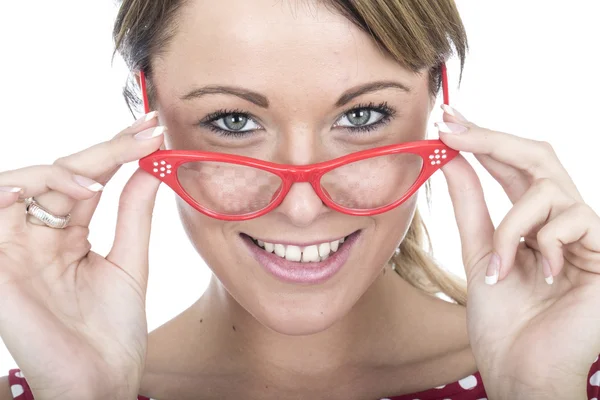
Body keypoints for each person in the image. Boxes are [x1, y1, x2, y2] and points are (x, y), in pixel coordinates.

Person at [2, 0, 600, 399]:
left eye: (364, 115)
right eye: (232, 120)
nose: (303, 206)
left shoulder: (572, 373)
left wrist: (543, 389)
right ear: (146, 114)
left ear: (437, 102)